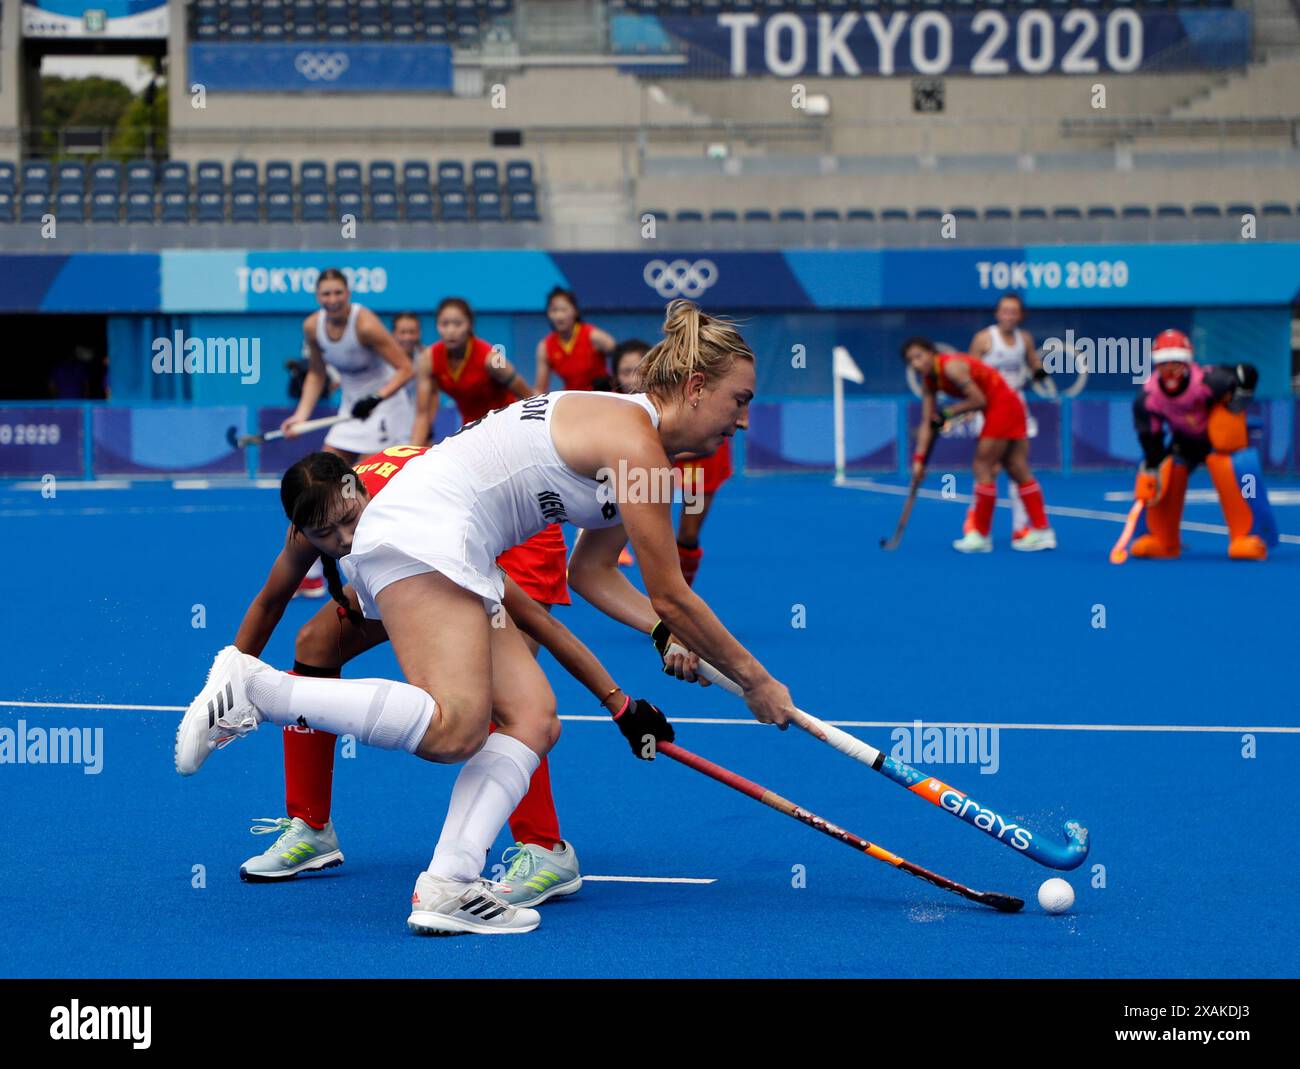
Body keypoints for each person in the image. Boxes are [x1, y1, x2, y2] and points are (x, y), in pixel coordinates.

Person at [176, 299, 796, 936]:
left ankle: (449, 883)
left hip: (458, 535)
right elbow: (671, 593)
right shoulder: (638, 448)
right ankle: (254, 688)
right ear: (695, 388)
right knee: (454, 729)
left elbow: (595, 575)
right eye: (738, 400)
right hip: (429, 521)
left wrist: (663, 638)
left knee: (532, 718)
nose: (743, 420)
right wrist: (756, 682)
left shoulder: (636, 452)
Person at [283, 269, 415, 597]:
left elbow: (405, 369)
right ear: (318, 297)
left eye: (337, 293)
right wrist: (300, 415)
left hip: (385, 408)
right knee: (315, 484)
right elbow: (315, 373)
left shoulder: (365, 323)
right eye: (326, 294)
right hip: (351, 411)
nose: (332, 300)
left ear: (348, 294)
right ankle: (312, 575)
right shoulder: (313, 326)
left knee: (370, 490)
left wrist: (377, 398)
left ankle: (382, 569)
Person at [902, 336, 1056, 553]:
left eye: (919, 356)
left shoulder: (951, 367)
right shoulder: (929, 381)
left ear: (931, 352)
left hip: (1002, 406)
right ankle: (1043, 531)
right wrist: (918, 461)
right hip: (1008, 406)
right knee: (1017, 468)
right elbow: (928, 422)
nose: (917, 363)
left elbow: (978, 399)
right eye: (911, 361)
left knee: (982, 466)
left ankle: (981, 536)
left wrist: (947, 413)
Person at [1129, 329, 1272, 561]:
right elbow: (1150, 436)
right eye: (1163, 364)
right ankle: (1162, 539)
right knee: (1166, 472)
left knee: (1231, 469)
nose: (1169, 370)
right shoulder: (1148, 396)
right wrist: (1153, 466)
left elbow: (1246, 375)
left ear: (1186, 362)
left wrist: (1233, 408)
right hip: (1184, 443)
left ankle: (1245, 535)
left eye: (1175, 363)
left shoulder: (1209, 380)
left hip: (1217, 442)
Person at [965, 294, 1055, 540]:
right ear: (997, 314)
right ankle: (975, 522)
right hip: (989, 408)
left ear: (1020, 315)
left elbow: (1034, 363)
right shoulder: (984, 338)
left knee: (1019, 467)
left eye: (1014, 311)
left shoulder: (1024, 339)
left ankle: (1021, 526)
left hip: (1016, 408)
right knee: (988, 469)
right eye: (1005, 311)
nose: (1009, 316)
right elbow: (968, 374)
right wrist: (970, 406)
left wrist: (1040, 372)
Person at [534, 287, 617, 393]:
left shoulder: (594, 336)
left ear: (575, 311)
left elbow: (621, 358)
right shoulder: (544, 347)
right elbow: (539, 389)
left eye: (564, 310)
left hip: (601, 396)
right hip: (572, 399)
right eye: (554, 310)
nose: (559, 316)